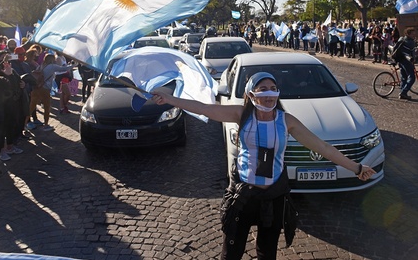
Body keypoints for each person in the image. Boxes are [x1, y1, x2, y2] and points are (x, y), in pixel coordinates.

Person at [151, 72, 376, 260]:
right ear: (251, 94)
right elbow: (202, 108)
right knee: (231, 251)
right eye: (263, 89)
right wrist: (170, 99)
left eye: (273, 88)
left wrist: (356, 168)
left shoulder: (287, 121)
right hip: (243, 197)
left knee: (267, 253)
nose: (269, 93)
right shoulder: (241, 115)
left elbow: (322, 147)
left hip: (274, 197)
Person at [29, 53, 76, 132]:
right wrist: (73, 65)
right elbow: (63, 69)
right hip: (45, 89)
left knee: (31, 107)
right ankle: (46, 125)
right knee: (47, 107)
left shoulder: (41, 65)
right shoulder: (52, 66)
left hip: (36, 88)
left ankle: (24, 124)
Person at [393, 27, 416, 100]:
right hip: (406, 61)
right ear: (408, 34)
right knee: (412, 77)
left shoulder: (401, 38)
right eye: (413, 33)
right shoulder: (410, 42)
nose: (414, 35)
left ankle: (402, 93)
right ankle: (404, 92)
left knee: (404, 77)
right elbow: (412, 53)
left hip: (399, 60)